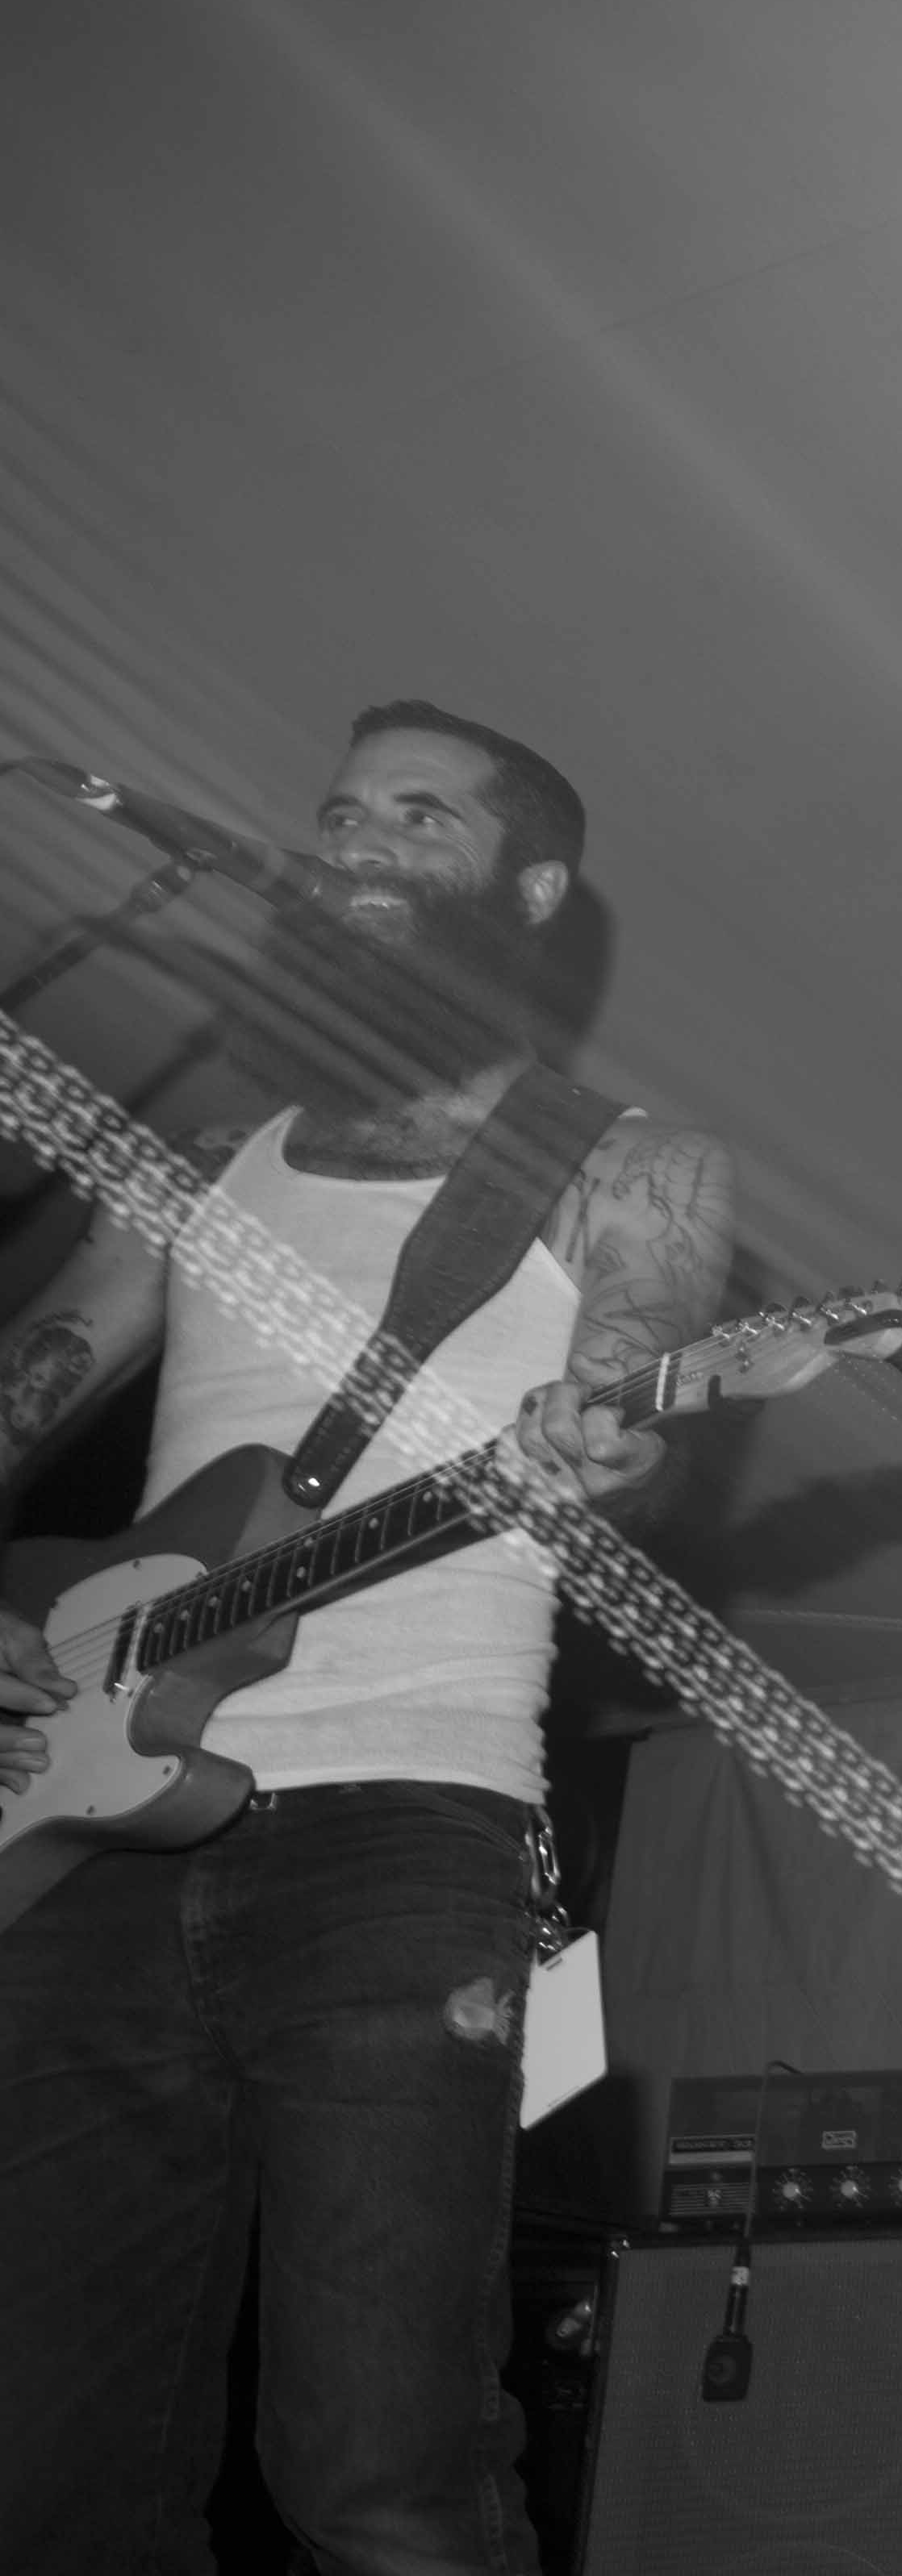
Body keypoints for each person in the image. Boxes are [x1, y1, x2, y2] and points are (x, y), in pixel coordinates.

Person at [0, 702, 735, 2574]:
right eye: (340, 812)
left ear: (530, 891)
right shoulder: (205, 1152)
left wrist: (614, 1452)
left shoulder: (626, 1163)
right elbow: (33, 1387)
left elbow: (632, 1435)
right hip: (82, 1842)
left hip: (402, 1837)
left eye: (419, 815)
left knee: (382, 2474)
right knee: (51, 2479)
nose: (357, 840)